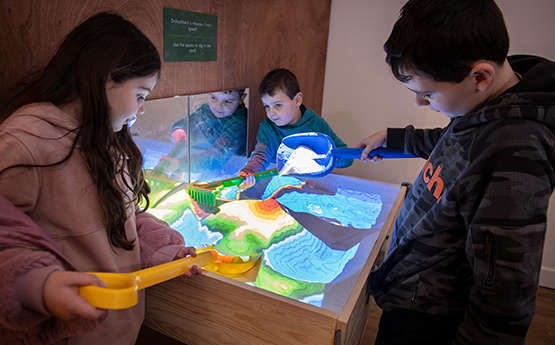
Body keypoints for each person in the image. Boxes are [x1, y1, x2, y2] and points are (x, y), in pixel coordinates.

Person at [357, 0, 555, 344]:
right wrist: (397, 139)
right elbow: (455, 142)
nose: (419, 103)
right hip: (412, 289)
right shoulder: (489, 106)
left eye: (427, 94)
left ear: (479, 77)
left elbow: (507, 284)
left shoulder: (515, 147)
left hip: (433, 313)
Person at [0, 12, 202, 344]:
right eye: (140, 94)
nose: (140, 108)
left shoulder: (109, 141)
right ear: (105, 78)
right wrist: (40, 286)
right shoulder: (26, 142)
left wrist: (168, 252)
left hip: (121, 329)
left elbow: (125, 218)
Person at [239, 68, 352, 188]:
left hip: (308, 186)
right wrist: (249, 171)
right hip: (275, 184)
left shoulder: (316, 125)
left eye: (278, 105)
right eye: (267, 106)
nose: (271, 113)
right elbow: (261, 155)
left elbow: (346, 159)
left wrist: (325, 156)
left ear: (297, 100)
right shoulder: (267, 128)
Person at [159, 89, 248, 174]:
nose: (218, 106)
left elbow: (217, 156)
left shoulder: (239, 122)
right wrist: (180, 129)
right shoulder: (206, 110)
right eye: (213, 98)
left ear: (241, 98)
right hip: (206, 161)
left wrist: (180, 164)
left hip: (232, 167)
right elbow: (187, 122)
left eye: (228, 101)